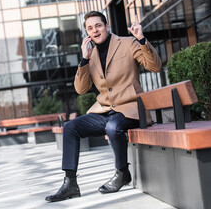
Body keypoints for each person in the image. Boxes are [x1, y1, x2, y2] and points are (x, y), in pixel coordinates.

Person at [45, 11, 162, 202]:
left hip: (130, 108)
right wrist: (84, 59)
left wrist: (141, 39)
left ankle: (122, 173)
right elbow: (81, 89)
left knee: (113, 127)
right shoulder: (90, 55)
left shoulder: (128, 43)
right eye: (90, 28)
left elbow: (154, 66)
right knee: (70, 127)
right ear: (87, 33)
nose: (95, 30)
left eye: (98, 25)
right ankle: (70, 183)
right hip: (105, 110)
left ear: (107, 26)